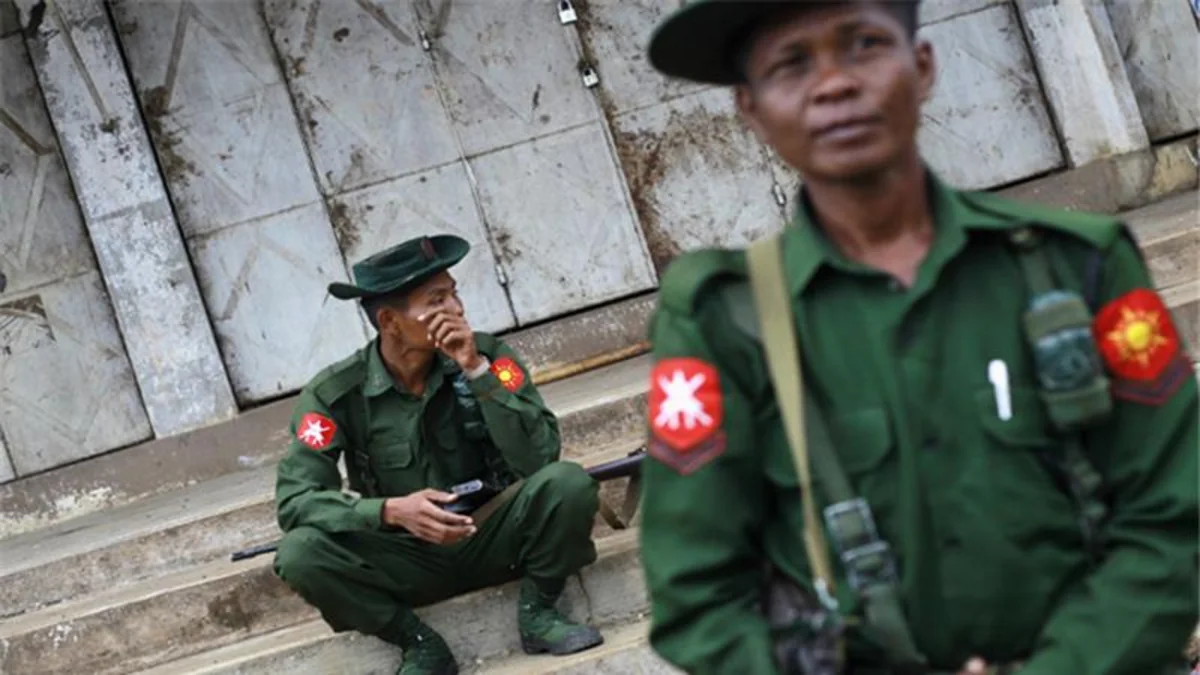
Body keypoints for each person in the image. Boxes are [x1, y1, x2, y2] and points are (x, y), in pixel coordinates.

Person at [637, 1, 1199, 674]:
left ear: (923, 67)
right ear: (751, 110)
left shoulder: (1078, 264)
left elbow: (1172, 516)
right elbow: (696, 594)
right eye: (791, 64)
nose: (835, 83)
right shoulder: (725, 319)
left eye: (864, 45)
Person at [272, 235, 604, 675]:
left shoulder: (488, 357)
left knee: (569, 483)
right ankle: (420, 644)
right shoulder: (335, 395)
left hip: (494, 536)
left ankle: (540, 613)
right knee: (300, 554)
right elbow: (297, 502)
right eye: (438, 300)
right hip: (409, 557)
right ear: (390, 321)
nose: (458, 309)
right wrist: (389, 511)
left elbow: (541, 460)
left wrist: (477, 372)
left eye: (454, 293)